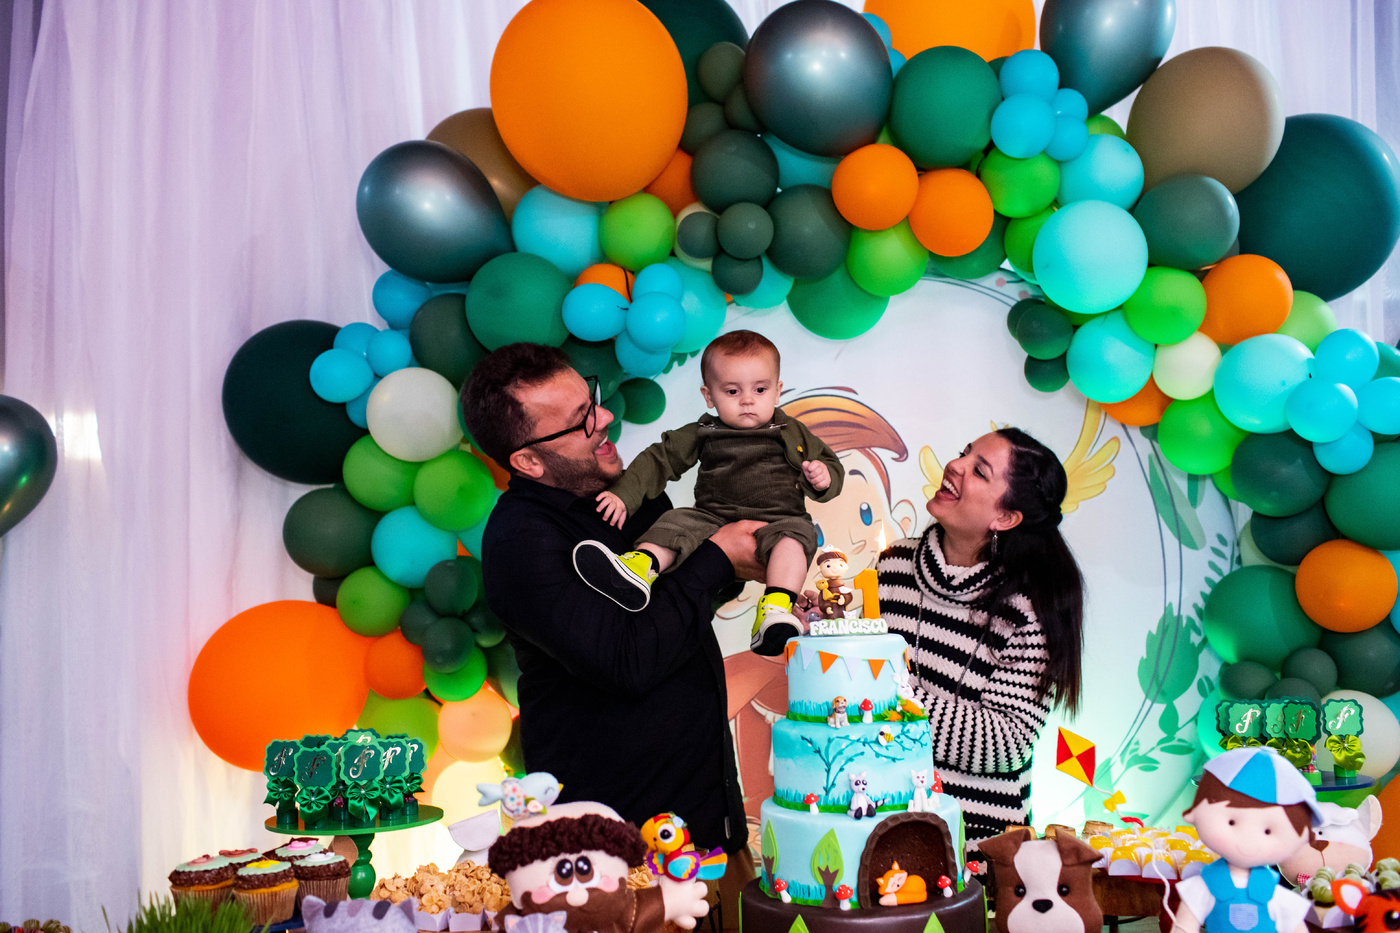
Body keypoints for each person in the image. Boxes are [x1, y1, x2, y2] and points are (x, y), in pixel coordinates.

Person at [462, 342, 757, 880]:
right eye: (580, 420)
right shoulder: (521, 541)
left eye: (592, 400)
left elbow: (684, 608)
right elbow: (628, 660)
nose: (604, 419)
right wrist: (716, 559)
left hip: (713, 830)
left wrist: (745, 559)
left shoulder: (631, 496)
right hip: (614, 865)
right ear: (528, 461)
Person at [876, 427, 1085, 852]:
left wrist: (887, 698)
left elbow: (1006, 743)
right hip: (877, 827)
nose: (955, 466)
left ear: (1005, 518)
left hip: (973, 848)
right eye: (963, 454)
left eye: (979, 471)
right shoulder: (892, 565)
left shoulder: (1032, 606)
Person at [574, 330, 844, 656]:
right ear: (709, 396)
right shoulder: (705, 432)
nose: (747, 400)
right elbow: (659, 459)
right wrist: (623, 494)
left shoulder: (791, 431)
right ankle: (638, 568)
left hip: (779, 520)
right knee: (675, 522)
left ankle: (775, 609)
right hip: (712, 518)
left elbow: (829, 465)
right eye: (732, 391)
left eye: (760, 389)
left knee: (796, 539)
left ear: (777, 391)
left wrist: (822, 478)